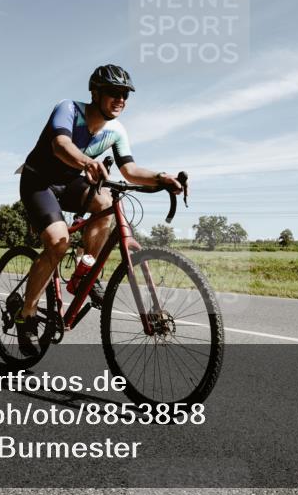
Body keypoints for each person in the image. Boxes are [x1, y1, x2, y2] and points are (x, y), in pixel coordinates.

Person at [12, 64, 182, 356]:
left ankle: (85, 271)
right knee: (58, 241)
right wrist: (86, 162)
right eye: (114, 93)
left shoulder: (116, 130)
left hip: (70, 184)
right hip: (38, 182)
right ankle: (25, 315)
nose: (121, 100)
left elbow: (129, 170)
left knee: (106, 203)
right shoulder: (68, 109)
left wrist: (161, 178)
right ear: (95, 93)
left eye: (125, 95)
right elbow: (60, 145)